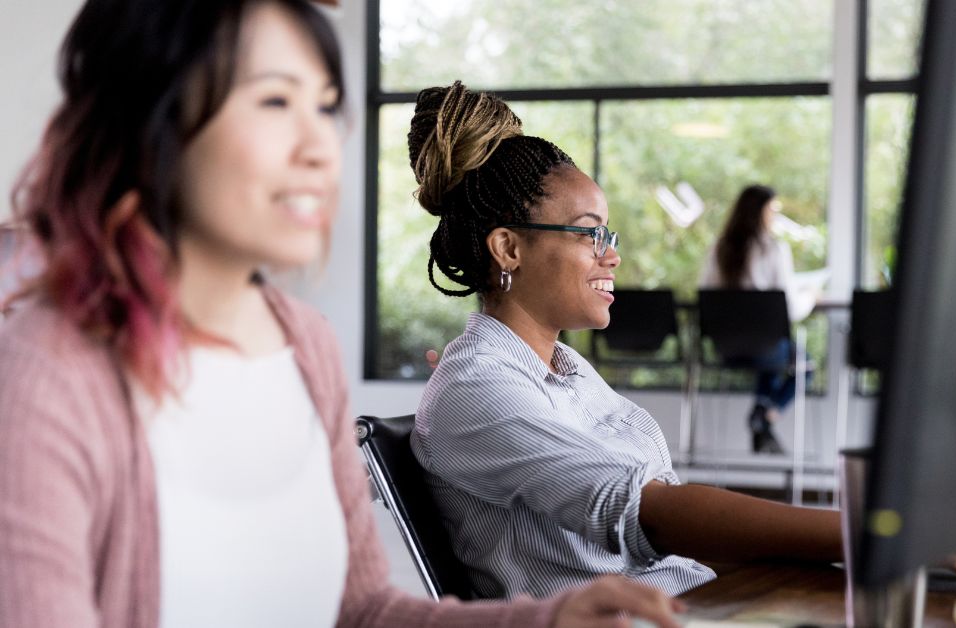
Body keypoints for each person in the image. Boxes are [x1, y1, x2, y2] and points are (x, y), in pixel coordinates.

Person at [0, 2, 685, 627]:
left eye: (325, 107)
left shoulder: (304, 346)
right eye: (274, 101)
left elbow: (360, 609)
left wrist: (544, 622)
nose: (320, 146)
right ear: (154, 123)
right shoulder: (47, 377)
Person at [408, 82, 843, 601]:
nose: (610, 255)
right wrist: (865, 535)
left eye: (607, 235)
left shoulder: (563, 369)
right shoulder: (477, 387)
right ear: (508, 248)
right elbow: (644, 512)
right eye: (588, 233)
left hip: (688, 597)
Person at [699, 185, 809, 454]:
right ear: (759, 213)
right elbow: (789, 310)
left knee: (770, 357)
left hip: (726, 349)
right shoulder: (773, 250)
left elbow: (705, 296)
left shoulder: (718, 249)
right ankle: (766, 414)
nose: (774, 216)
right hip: (767, 350)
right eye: (772, 210)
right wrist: (810, 297)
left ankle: (762, 415)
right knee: (803, 365)